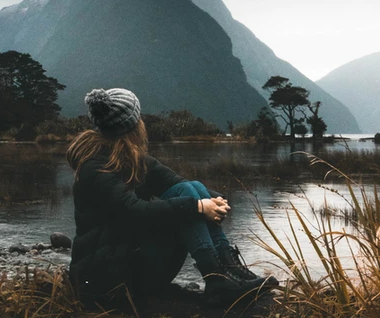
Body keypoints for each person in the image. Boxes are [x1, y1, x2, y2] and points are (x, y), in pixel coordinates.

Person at [66, 88, 278, 307]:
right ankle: (217, 278)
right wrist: (198, 207)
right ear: (132, 125)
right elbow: (134, 211)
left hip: (122, 262)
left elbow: (178, 183)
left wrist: (214, 200)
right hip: (101, 280)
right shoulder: (95, 168)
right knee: (188, 203)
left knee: (191, 187)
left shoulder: (133, 160)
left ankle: (229, 271)